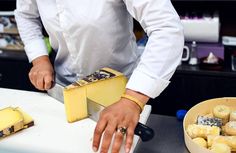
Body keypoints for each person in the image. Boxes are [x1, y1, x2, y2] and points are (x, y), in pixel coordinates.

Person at [15, 0, 184, 152]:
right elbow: (25, 15)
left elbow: (166, 27)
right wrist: (40, 59)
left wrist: (133, 99)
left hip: (123, 93)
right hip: (65, 90)